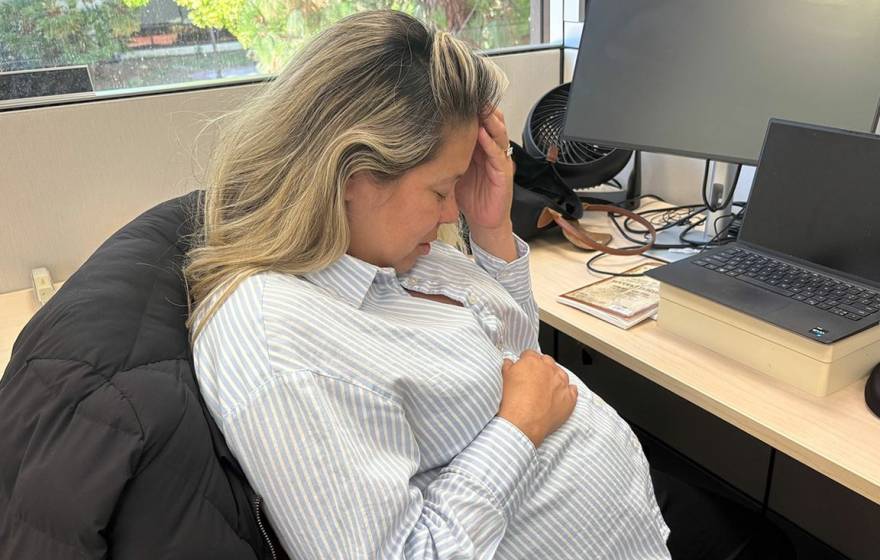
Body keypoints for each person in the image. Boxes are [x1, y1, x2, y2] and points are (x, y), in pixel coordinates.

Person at [185, 10, 791, 560]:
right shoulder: (279, 342)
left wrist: (492, 226)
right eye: (439, 190)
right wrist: (518, 427)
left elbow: (513, 354)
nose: (450, 214)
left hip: (627, 515)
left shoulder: (382, 253)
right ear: (354, 175)